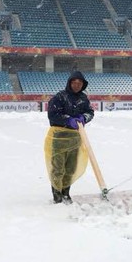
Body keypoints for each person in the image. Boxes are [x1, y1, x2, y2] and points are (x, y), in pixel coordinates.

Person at [44, 71, 94, 204]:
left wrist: (84, 117)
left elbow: (90, 112)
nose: (77, 85)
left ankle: (66, 193)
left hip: (75, 138)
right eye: (74, 83)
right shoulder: (60, 97)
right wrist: (67, 120)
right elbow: (53, 114)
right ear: (69, 83)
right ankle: (57, 194)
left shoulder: (83, 98)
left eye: (80, 83)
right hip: (59, 138)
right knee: (58, 168)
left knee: (70, 168)